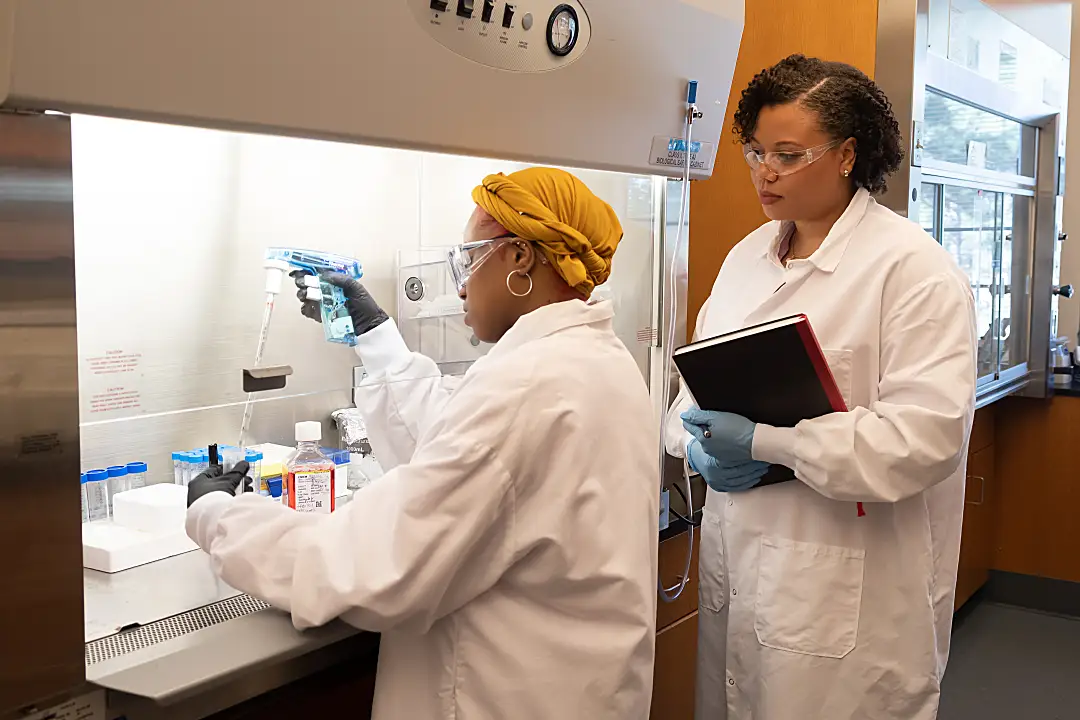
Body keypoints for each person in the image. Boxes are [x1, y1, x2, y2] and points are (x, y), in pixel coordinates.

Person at [186, 168, 660, 719]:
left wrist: (217, 516)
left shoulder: (527, 387)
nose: (459, 283)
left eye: (468, 258)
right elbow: (459, 443)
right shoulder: (596, 359)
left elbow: (365, 570)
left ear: (520, 259)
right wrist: (374, 333)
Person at [665, 55, 978, 719]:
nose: (764, 172)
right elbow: (695, 388)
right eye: (755, 151)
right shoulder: (746, 257)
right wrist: (693, 444)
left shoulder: (912, 270)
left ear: (846, 155)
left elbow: (924, 439)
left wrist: (769, 444)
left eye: (787, 153)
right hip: (742, 572)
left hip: (848, 598)